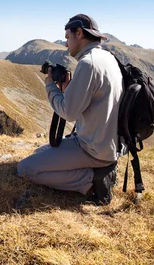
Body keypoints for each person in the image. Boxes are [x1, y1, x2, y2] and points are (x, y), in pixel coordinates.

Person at [17, 14, 124, 205]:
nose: (66, 44)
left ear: (79, 33)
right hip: (105, 143)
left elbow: (68, 113)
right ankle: (97, 172)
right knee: (39, 152)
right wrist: (68, 90)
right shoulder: (107, 57)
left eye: (67, 37)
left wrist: (50, 86)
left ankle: (92, 182)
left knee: (25, 168)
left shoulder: (88, 63)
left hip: (92, 149)